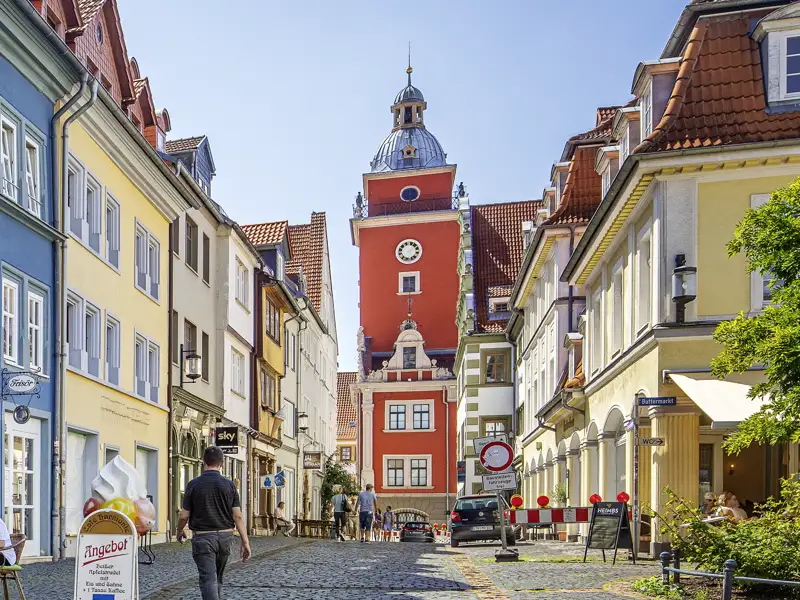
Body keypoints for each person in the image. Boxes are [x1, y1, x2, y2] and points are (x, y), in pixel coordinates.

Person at [177, 446, 251, 600]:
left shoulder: (193, 484)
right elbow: (237, 516)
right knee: (217, 577)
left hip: (203, 538)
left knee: (208, 579)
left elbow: (183, 516)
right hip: (225, 537)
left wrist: (179, 531)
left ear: (204, 461)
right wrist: (245, 541)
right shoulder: (229, 485)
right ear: (221, 464)